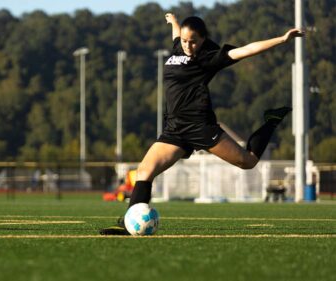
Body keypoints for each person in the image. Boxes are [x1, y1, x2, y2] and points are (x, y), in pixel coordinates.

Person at [100, 13, 304, 235]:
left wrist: (281, 39)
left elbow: (247, 50)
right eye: (186, 40)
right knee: (144, 171)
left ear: (203, 39)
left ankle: (271, 121)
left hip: (201, 127)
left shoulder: (209, 58)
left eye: (194, 41)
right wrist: (174, 22)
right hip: (174, 129)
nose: (188, 45)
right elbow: (177, 36)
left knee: (248, 161)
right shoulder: (180, 46)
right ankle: (129, 224)